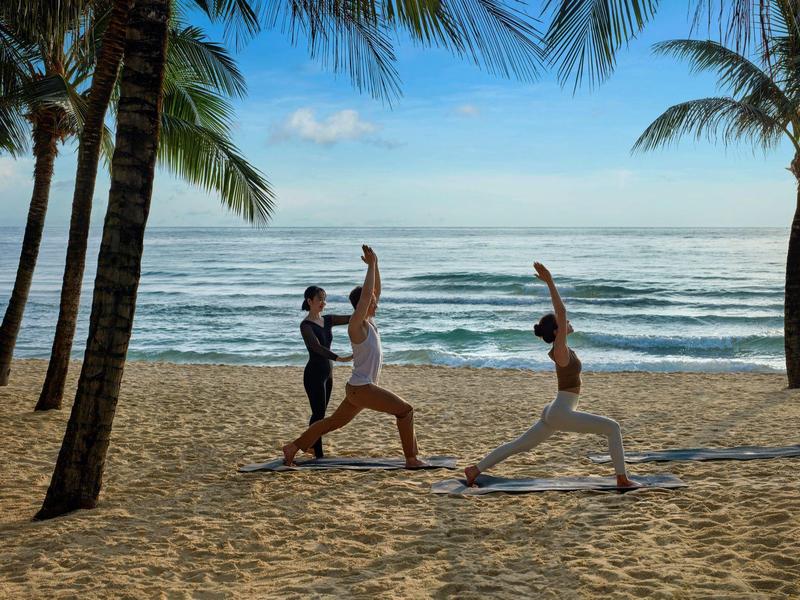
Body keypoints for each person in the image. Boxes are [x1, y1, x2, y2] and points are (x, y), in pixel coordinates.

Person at [464, 262, 638, 488]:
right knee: (612, 427)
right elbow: (562, 311)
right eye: (563, 325)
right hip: (560, 412)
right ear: (557, 331)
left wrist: (561, 319)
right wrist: (550, 281)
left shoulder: (561, 348)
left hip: (556, 410)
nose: (567, 323)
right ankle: (622, 479)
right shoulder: (559, 350)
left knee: (519, 445)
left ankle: (474, 470)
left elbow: (565, 320)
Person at [283, 245, 426, 468]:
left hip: (358, 389)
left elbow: (374, 291)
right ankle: (412, 459)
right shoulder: (356, 326)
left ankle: (292, 447)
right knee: (405, 411)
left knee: (331, 423)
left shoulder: (369, 322)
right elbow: (368, 295)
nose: (377, 302)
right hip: (363, 388)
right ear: (366, 304)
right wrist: (369, 267)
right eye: (373, 302)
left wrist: (376, 263)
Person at [299, 285, 352, 458]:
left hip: (328, 374)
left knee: (321, 414)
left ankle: (311, 446)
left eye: (324, 299)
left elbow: (351, 319)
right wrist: (338, 358)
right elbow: (316, 347)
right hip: (314, 374)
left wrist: (365, 306)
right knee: (318, 414)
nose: (323, 302)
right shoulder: (305, 325)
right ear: (309, 301)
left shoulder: (328, 320)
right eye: (320, 299)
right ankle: (317, 453)